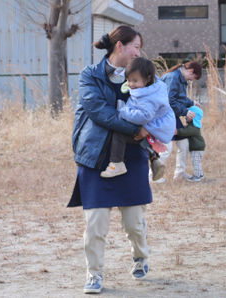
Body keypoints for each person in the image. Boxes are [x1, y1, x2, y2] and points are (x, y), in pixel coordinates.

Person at [68, 26, 154, 294]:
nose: (139, 52)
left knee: (134, 224)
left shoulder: (146, 74)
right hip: (96, 156)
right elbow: (99, 112)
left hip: (132, 156)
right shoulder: (90, 75)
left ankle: (140, 257)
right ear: (120, 46)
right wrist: (136, 129)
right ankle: (94, 275)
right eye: (136, 47)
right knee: (95, 225)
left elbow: (158, 104)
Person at [100, 57, 175, 181]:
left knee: (119, 133)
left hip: (154, 125)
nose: (130, 84)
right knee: (137, 136)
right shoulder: (153, 88)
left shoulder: (148, 97)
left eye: (135, 81)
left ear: (148, 78)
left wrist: (123, 112)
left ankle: (117, 163)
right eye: (128, 80)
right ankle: (154, 159)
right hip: (158, 125)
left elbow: (144, 116)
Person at [160, 61, 202, 180]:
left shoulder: (180, 78)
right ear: (190, 71)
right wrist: (185, 112)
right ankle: (154, 176)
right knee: (166, 147)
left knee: (184, 144)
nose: (191, 80)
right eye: (193, 77)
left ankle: (180, 174)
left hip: (172, 115)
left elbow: (180, 98)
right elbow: (169, 101)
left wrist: (192, 103)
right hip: (163, 115)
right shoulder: (173, 77)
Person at [175, 105, 205, 182]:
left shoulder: (194, 128)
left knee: (195, 162)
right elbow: (186, 128)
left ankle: (197, 176)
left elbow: (185, 132)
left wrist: (177, 131)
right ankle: (200, 175)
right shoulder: (192, 126)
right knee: (197, 162)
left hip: (197, 148)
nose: (185, 117)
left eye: (187, 116)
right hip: (197, 148)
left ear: (192, 117)